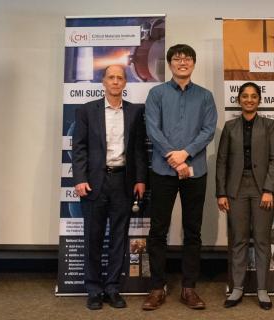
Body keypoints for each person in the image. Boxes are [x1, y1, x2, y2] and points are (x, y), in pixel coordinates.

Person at [142, 44, 217, 311]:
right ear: (170, 64)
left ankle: (189, 288)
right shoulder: (157, 93)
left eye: (187, 59)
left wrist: (185, 153)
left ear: (193, 64)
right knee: (158, 231)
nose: (182, 62)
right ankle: (157, 288)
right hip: (162, 170)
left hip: (195, 171)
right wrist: (173, 158)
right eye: (177, 59)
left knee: (193, 231)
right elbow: (152, 128)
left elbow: (208, 130)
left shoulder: (205, 96)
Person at [72, 65, 147, 310]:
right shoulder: (86, 110)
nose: (116, 81)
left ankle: (113, 288)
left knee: (118, 238)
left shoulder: (135, 112)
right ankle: (93, 289)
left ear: (125, 83)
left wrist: (140, 179)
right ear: (103, 81)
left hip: (123, 181)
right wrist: (80, 178)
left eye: (120, 78)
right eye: (111, 77)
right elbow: (79, 148)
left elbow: (138, 149)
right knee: (93, 238)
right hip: (94, 183)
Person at [216, 82, 274, 310]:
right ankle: (237, 289)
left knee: (263, 240)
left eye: (254, 96)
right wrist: (221, 192)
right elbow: (222, 161)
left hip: (262, 190)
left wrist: (268, 189)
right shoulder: (230, 127)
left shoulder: (269, 125)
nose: (249, 100)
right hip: (235, 191)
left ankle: (263, 290)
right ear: (239, 100)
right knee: (239, 240)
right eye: (245, 96)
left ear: (259, 100)